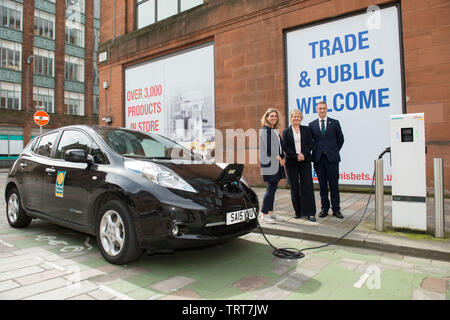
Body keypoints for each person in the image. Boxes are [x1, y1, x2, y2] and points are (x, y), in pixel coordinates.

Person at [309, 101, 345, 219]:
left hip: (332, 159)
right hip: (319, 160)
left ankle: (336, 209)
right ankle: (324, 209)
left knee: (334, 185)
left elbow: (340, 139)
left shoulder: (334, 123)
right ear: (317, 110)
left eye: (324, 108)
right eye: (320, 108)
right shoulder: (312, 125)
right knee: (322, 186)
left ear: (327, 109)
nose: (322, 110)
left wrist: (333, 150)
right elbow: (311, 142)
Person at [282, 109, 316, 222]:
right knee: (294, 187)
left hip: (305, 161)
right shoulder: (286, 132)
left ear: (300, 118)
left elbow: (310, 143)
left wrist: (303, 155)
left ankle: (310, 213)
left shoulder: (306, 129)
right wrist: (295, 155)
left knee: (308, 186)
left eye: (298, 116)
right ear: (291, 118)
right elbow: (285, 146)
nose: (296, 118)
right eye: (294, 116)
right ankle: (298, 211)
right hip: (291, 162)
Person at [259, 107, 286, 224]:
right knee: (271, 188)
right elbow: (269, 148)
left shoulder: (274, 130)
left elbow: (279, 146)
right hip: (270, 163)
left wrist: (282, 157)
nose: (274, 118)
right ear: (267, 118)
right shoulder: (265, 130)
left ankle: (270, 212)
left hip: (277, 162)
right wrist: (279, 158)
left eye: (275, 116)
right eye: (271, 116)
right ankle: (263, 214)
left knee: (274, 187)